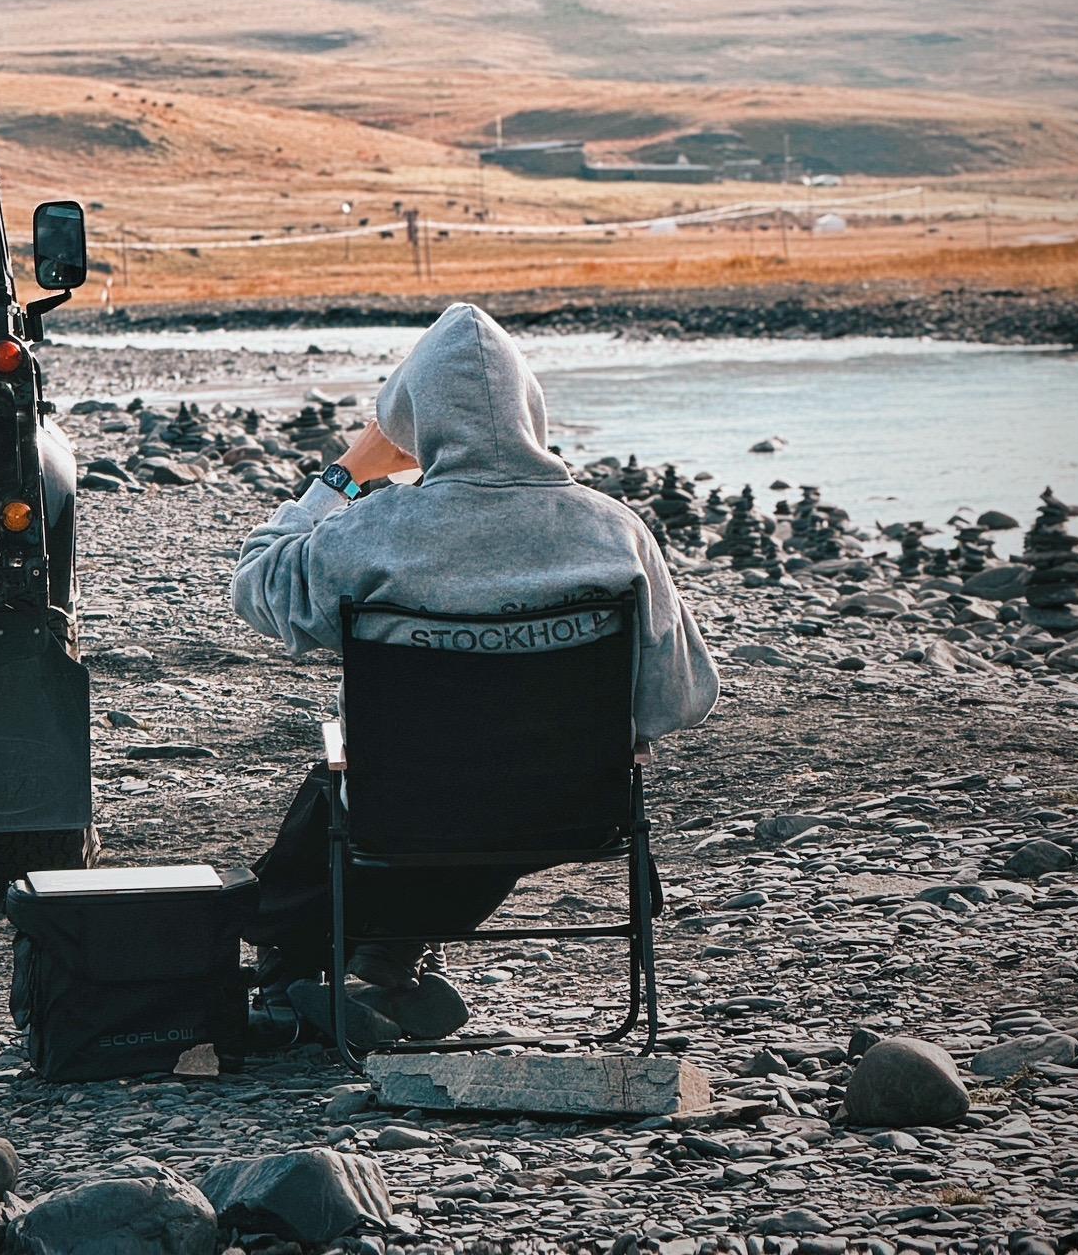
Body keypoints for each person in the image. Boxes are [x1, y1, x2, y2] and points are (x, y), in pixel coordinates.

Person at [231, 300, 720, 1049]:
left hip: (402, 810)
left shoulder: (372, 530)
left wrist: (347, 473)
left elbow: (256, 584)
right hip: (577, 806)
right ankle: (386, 956)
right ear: (533, 410)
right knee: (501, 764)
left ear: (412, 418)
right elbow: (681, 697)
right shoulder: (614, 530)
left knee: (364, 780)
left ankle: (297, 967)